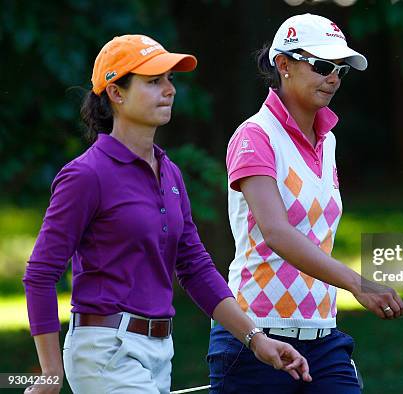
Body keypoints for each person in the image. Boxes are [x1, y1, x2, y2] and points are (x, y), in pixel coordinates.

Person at [22, 34, 311, 394]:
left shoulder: (169, 172)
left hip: (161, 352)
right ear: (116, 92)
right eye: (154, 81)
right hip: (106, 351)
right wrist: (50, 372)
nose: (169, 89)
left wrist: (256, 340)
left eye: (170, 79)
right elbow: (40, 275)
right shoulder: (85, 175)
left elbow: (195, 266)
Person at [208, 14, 403, 394]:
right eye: (321, 65)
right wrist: (357, 284)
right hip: (255, 336)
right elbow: (277, 232)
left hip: (324, 336)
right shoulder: (254, 136)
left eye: (340, 69)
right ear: (283, 65)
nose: (333, 77)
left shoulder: (327, 141)